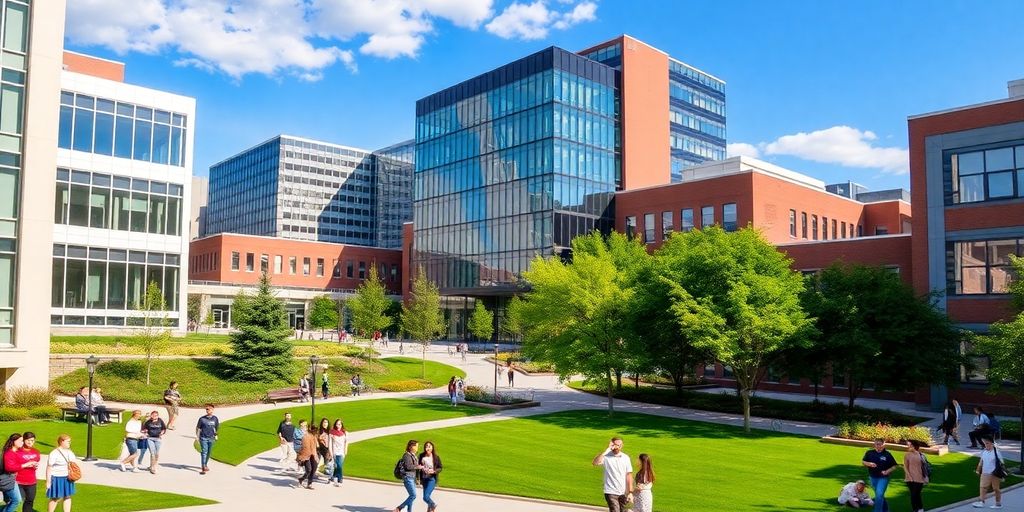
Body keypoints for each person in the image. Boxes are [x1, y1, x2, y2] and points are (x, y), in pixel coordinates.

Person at [592, 437, 634, 512]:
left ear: (622, 445)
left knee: (622, 510)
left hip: (623, 492)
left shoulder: (626, 458)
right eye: (615, 445)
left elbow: (629, 475)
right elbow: (595, 462)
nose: (617, 447)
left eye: (619, 445)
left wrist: (630, 492)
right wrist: (606, 451)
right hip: (610, 491)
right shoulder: (606, 456)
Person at [861, 439, 896, 512]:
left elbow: (894, 466)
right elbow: (863, 462)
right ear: (874, 444)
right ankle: (886, 509)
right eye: (876, 444)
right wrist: (869, 464)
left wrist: (887, 471)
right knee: (879, 495)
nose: (878, 446)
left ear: (883, 445)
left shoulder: (887, 454)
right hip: (872, 477)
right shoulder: (869, 453)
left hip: (883, 478)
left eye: (880, 444)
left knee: (879, 494)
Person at [45, 434, 77, 512]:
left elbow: (73, 463)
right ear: (62, 441)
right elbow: (49, 467)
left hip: (67, 477)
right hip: (56, 478)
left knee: (67, 496)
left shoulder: (69, 452)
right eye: (68, 441)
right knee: (55, 498)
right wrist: (48, 481)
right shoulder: (54, 453)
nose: (70, 443)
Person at [974, 436, 1005, 509]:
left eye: (987, 443)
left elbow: (1002, 464)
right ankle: (981, 502)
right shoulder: (984, 452)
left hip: (994, 474)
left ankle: (998, 504)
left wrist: (1002, 475)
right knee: (982, 487)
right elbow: (981, 462)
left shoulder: (997, 453)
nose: (986, 445)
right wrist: (978, 470)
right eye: (985, 443)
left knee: (996, 489)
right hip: (985, 473)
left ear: (992, 443)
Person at [393, 440, 421, 512]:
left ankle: (409, 510)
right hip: (408, 477)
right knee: (413, 495)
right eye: (416, 446)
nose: (417, 448)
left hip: (412, 477)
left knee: (411, 496)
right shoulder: (406, 455)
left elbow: (414, 468)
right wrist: (417, 467)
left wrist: (417, 479)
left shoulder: (414, 456)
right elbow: (408, 467)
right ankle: (399, 508)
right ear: (411, 446)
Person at [16, 432, 40, 512]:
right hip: (18, 481)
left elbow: (36, 463)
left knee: (30, 501)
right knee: (16, 501)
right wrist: (26, 465)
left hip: (31, 481)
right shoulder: (17, 451)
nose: (30, 442)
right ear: (23, 440)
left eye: (32, 440)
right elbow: (12, 466)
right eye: (28, 440)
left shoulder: (36, 452)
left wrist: (35, 466)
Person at [418, 441, 443, 512]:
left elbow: (440, 467)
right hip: (424, 479)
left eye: (429, 446)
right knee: (427, 496)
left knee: (425, 497)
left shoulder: (436, 457)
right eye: (426, 446)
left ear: (432, 447)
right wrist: (417, 478)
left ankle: (433, 505)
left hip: (431, 479)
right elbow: (418, 467)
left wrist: (434, 471)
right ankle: (430, 509)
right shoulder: (421, 456)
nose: (428, 448)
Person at [903, 440, 927, 512]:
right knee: (913, 495)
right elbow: (905, 466)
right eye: (908, 445)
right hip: (910, 479)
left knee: (917, 494)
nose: (908, 447)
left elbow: (925, 467)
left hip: (919, 478)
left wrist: (926, 477)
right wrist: (909, 476)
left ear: (914, 446)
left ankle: (920, 508)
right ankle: (915, 509)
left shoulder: (921, 455)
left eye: (910, 445)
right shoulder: (907, 454)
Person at [2, 434, 24, 512]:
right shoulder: (9, 453)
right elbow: (9, 468)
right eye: (20, 441)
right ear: (14, 441)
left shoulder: (15, 452)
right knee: (16, 500)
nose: (22, 442)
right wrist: (25, 465)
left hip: (11, 479)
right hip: (7, 480)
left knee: (10, 501)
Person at [196, 404, 219, 475]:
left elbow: (216, 428)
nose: (207, 410)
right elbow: (198, 428)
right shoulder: (202, 419)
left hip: (211, 438)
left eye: (208, 409)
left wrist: (215, 435)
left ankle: (205, 464)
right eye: (206, 409)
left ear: (212, 410)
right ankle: (203, 468)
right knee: (204, 452)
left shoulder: (215, 418)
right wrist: (197, 437)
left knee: (209, 452)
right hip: (203, 438)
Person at [296, 424, 319, 489]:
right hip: (306, 455)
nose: (316, 431)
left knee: (314, 468)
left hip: (313, 454)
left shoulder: (314, 436)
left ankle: (309, 483)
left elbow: (315, 447)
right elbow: (304, 447)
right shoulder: (305, 436)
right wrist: (302, 457)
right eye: (314, 430)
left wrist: (315, 455)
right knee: (309, 469)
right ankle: (301, 479)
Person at [328, 420, 347, 486]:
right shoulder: (332, 433)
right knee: (338, 466)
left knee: (338, 466)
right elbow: (330, 444)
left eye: (339, 424)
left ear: (341, 425)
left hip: (341, 452)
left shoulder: (345, 433)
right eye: (337, 424)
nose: (338, 425)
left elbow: (346, 443)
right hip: (335, 452)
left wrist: (345, 451)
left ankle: (333, 477)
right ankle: (340, 479)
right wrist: (330, 452)